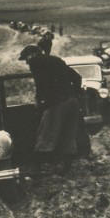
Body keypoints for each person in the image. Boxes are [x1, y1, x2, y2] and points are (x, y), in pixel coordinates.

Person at [19, 44, 83, 172]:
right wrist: (74, 94)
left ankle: (36, 168)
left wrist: (41, 102)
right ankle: (67, 168)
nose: (26, 62)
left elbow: (41, 85)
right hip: (72, 102)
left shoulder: (36, 62)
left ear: (32, 55)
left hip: (56, 103)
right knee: (68, 135)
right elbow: (77, 78)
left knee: (46, 135)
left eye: (26, 59)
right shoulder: (57, 60)